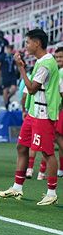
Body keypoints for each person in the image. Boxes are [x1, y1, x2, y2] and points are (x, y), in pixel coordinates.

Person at [0, 29, 60, 206]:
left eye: (28, 42)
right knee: (21, 147)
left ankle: (52, 192)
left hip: (43, 114)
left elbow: (32, 88)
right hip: (34, 112)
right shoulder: (41, 61)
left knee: (47, 152)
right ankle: (17, 187)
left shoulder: (47, 63)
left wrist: (21, 68)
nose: (26, 45)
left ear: (37, 43)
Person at [55, 47, 63, 178]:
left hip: (61, 109)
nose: (59, 60)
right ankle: (61, 169)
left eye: (61, 57)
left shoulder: (60, 72)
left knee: (59, 137)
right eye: (57, 57)